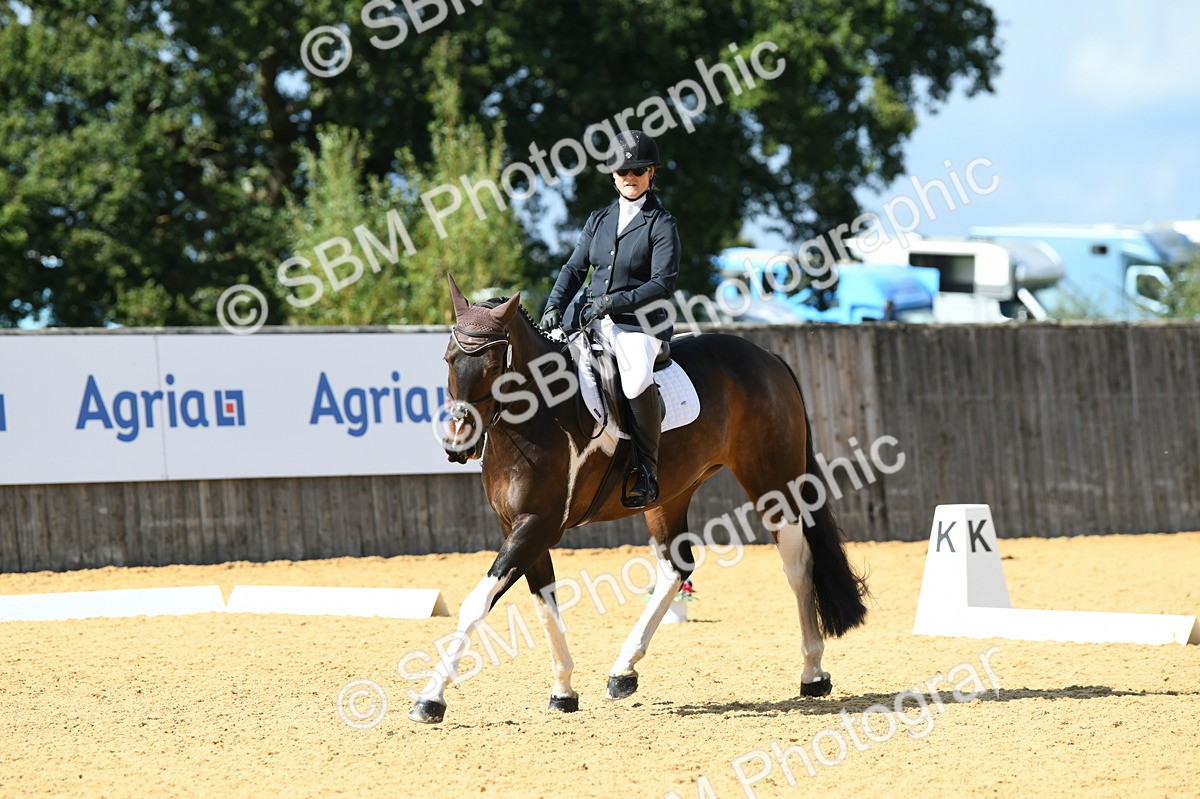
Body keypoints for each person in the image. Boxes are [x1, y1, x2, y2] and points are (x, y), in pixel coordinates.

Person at [540, 130, 681, 508]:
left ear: (651, 173)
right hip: (588, 318)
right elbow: (574, 268)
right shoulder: (599, 220)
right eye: (622, 171)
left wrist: (612, 302)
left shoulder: (661, 223)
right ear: (612, 175)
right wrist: (554, 305)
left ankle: (647, 470)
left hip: (640, 325)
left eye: (637, 171)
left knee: (635, 378)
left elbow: (662, 283)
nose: (628, 177)